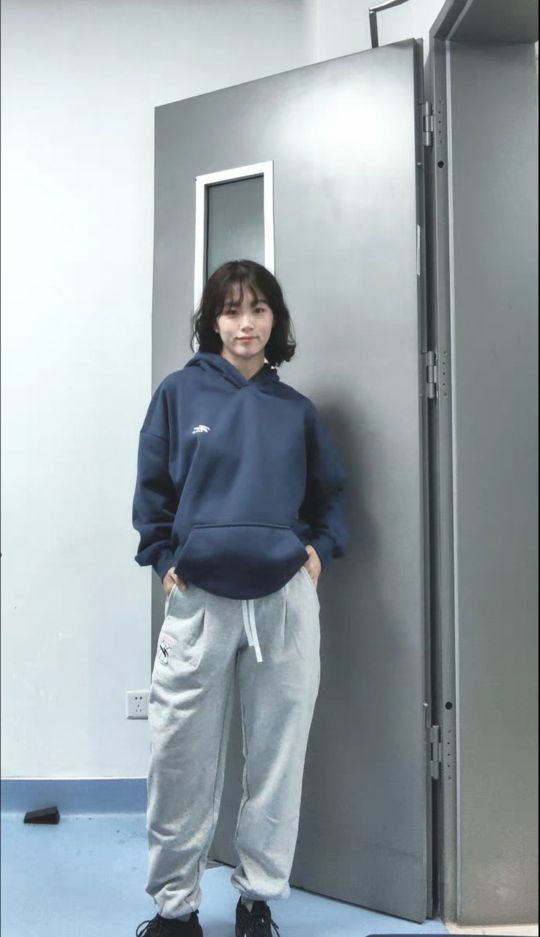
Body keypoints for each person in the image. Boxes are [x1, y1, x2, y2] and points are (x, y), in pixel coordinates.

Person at [132, 259, 348, 937]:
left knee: (279, 756)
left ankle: (259, 898)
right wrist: (163, 558)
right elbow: (151, 493)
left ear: (275, 319)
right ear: (213, 321)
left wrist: (317, 553)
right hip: (199, 598)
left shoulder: (295, 410)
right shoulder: (179, 394)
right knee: (179, 756)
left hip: (282, 602)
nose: (245, 323)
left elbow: (331, 497)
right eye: (230, 310)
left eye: (258, 309)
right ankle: (175, 909)